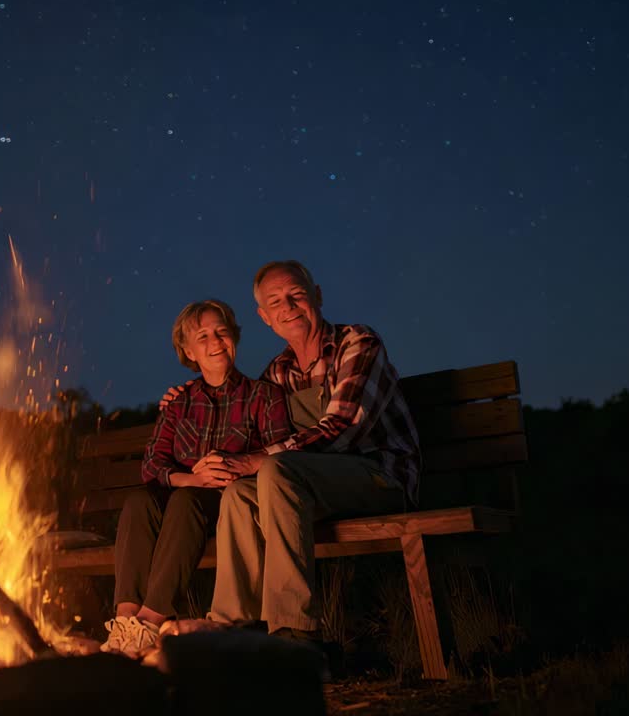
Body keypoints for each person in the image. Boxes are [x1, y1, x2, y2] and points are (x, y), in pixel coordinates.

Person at [162, 260, 421, 646]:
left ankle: (293, 632)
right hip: (314, 484)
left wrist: (257, 459)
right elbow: (246, 426)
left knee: (275, 470)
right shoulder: (277, 373)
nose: (288, 306)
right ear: (265, 317)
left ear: (316, 296)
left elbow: (343, 428)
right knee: (239, 495)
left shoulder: (358, 344)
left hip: (379, 476)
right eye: (275, 302)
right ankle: (233, 626)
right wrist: (186, 398)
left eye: (296, 295)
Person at [101, 299, 291, 657]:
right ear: (188, 350)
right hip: (187, 496)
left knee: (186, 501)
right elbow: (152, 466)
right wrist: (192, 478)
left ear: (234, 337)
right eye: (202, 336)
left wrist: (231, 469)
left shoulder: (263, 396)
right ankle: (125, 619)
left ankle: (151, 620)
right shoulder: (179, 402)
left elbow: (279, 455)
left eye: (222, 331)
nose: (215, 341)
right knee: (140, 501)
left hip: (231, 504)